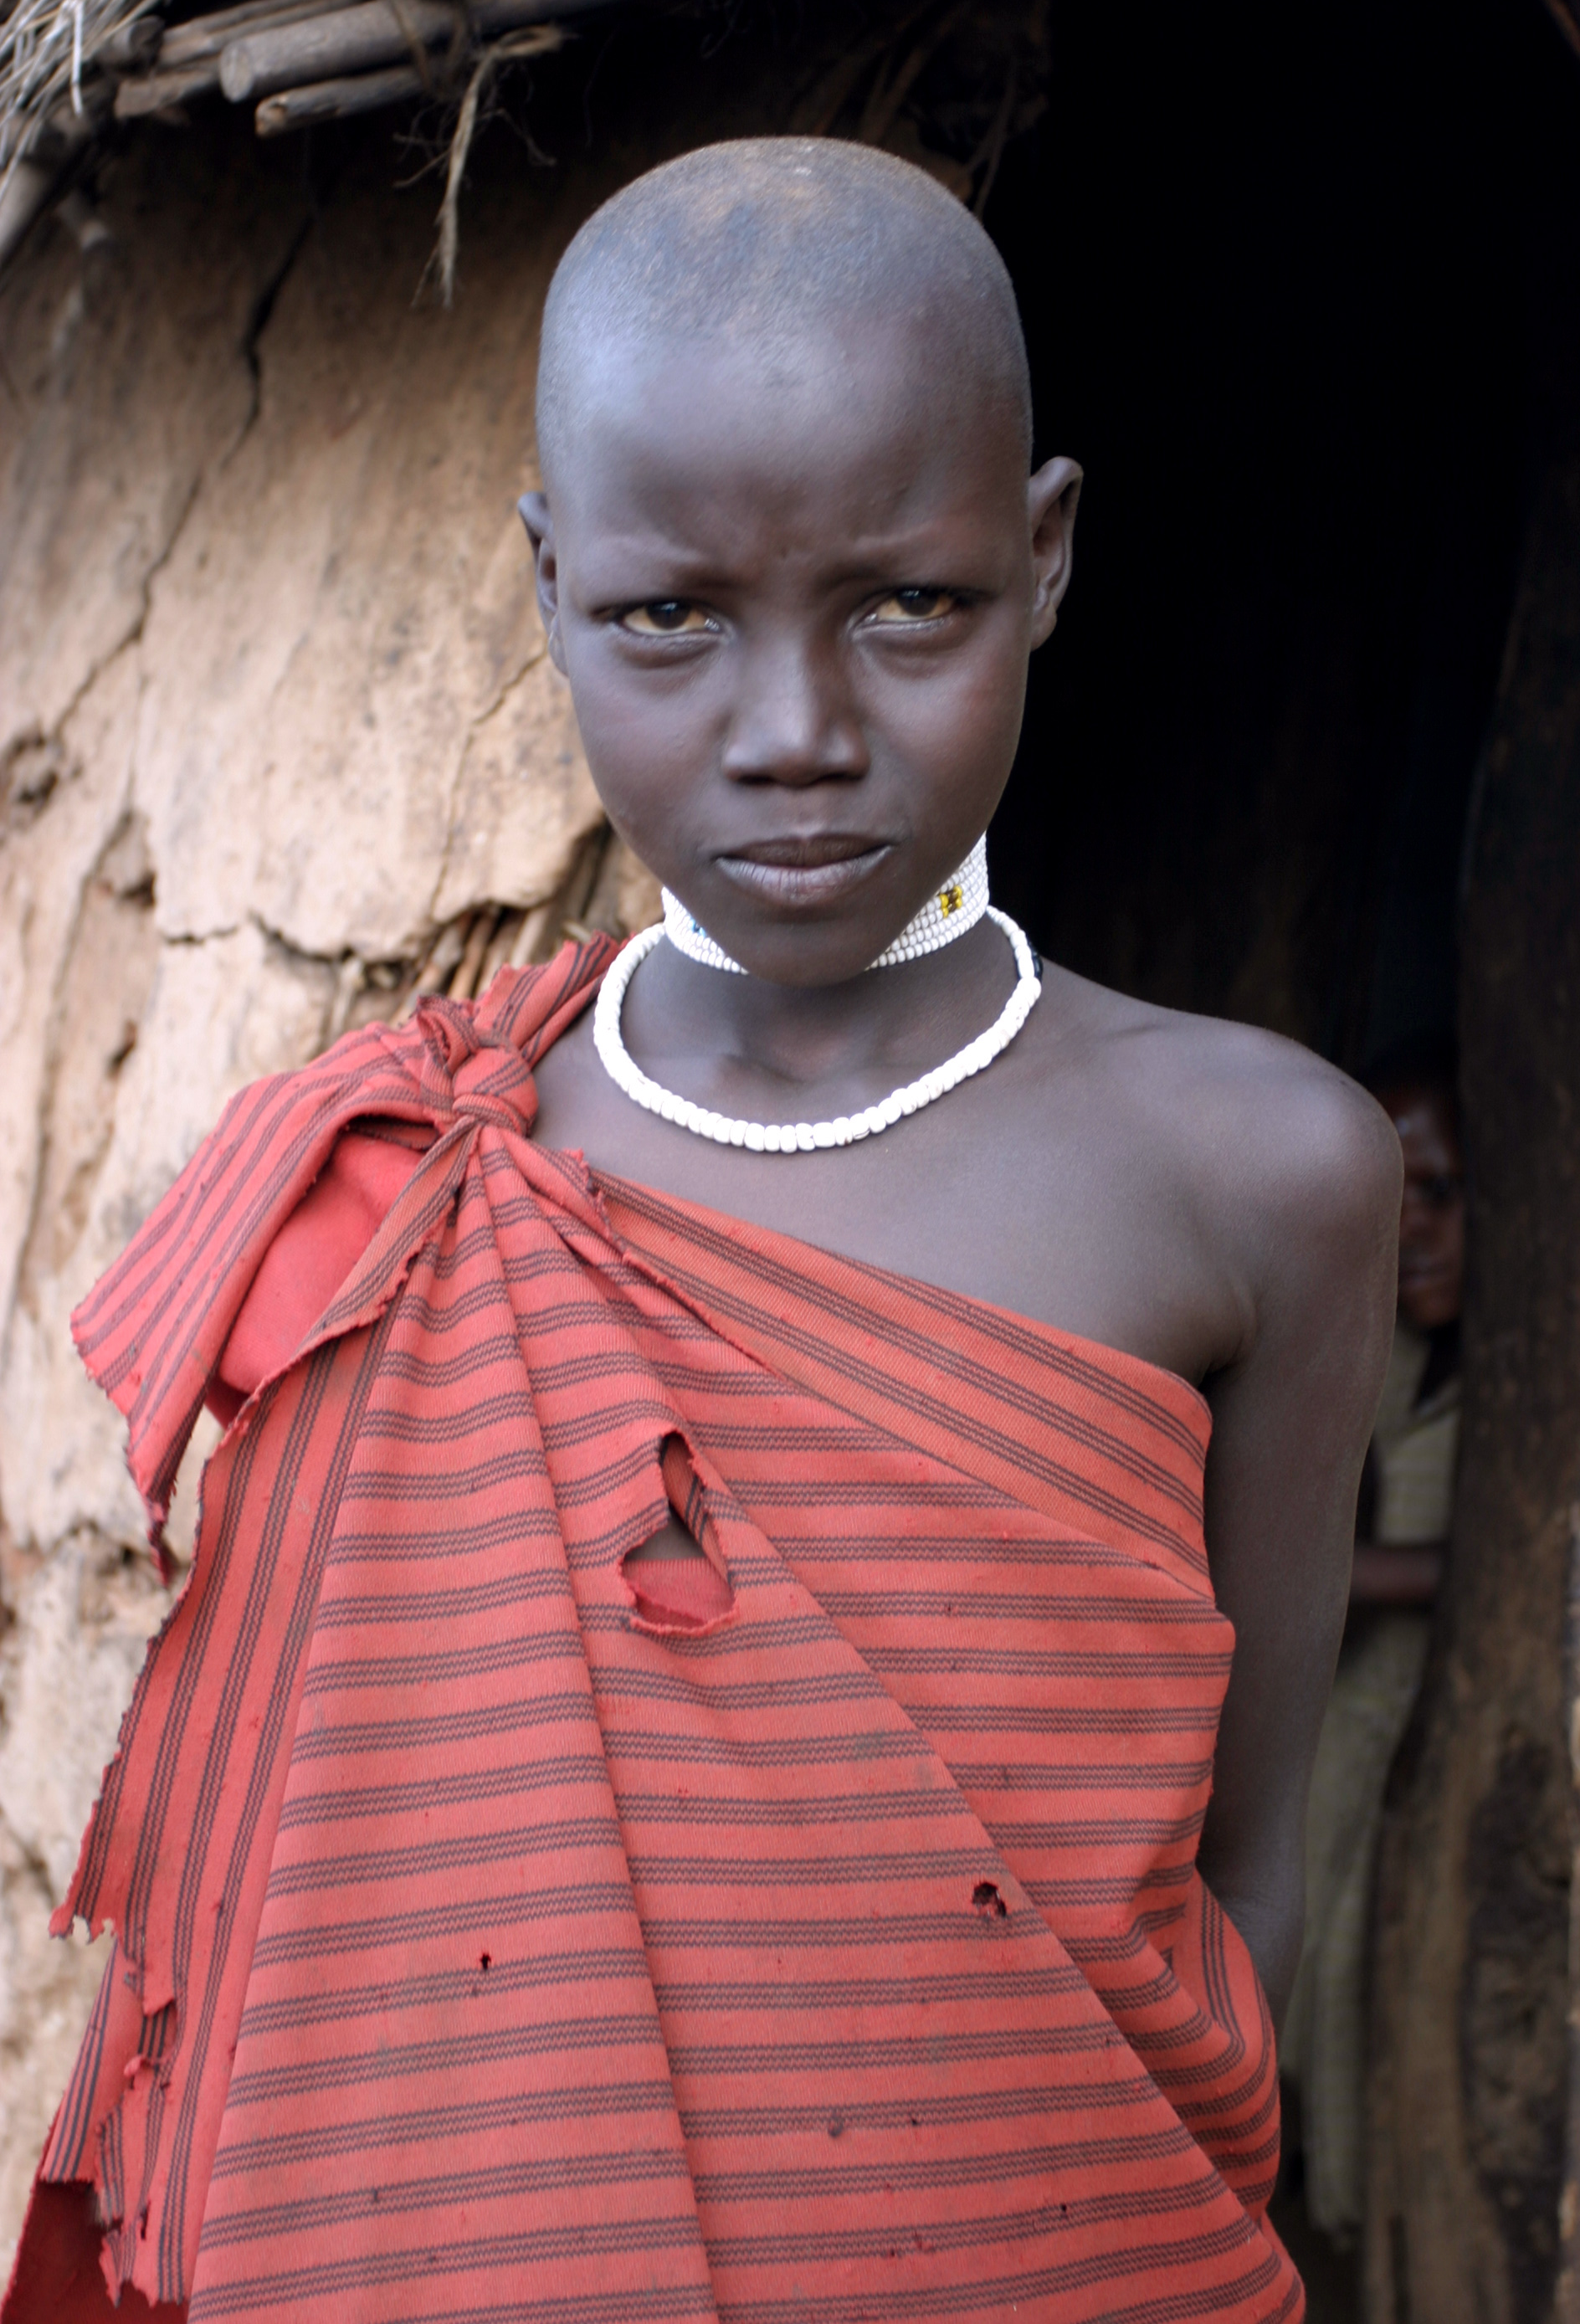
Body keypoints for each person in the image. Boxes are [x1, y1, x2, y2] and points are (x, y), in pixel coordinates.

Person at [5, 139, 1401, 2324]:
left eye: (907, 604)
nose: (794, 733)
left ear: (1041, 559)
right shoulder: (402, 1193)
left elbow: (1251, 1868)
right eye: (672, 616)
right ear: (549, 584)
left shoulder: (1266, 1174)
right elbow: (317, 1916)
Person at [1279, 1041, 1464, 2245]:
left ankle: (1360, 2217)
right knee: (1321, 1957)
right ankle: (1335, 2216)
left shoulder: (1518, 1363)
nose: (1425, 1235)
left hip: (1438, 1714)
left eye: (1443, 1192)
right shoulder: (1372, 1360)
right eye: (1398, 1206)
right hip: (1349, 1707)